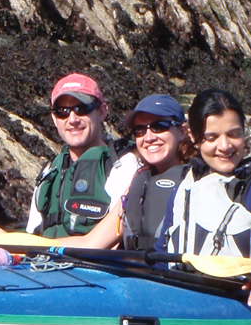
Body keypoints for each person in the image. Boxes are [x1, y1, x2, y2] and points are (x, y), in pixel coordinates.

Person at [161, 88, 251, 306]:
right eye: (211, 137)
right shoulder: (185, 184)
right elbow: (160, 256)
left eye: (234, 134)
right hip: (183, 300)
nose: (225, 146)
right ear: (193, 136)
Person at [71, 93, 194, 253]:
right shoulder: (137, 184)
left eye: (159, 126)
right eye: (140, 130)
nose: (148, 137)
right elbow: (91, 243)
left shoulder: (200, 180)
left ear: (182, 131)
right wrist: (35, 244)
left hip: (176, 275)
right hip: (135, 274)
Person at [24, 73, 138, 238]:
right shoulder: (49, 171)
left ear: (102, 111)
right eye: (62, 111)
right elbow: (31, 237)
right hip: (45, 262)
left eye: (81, 108)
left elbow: (113, 240)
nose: (72, 119)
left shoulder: (123, 165)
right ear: (54, 119)